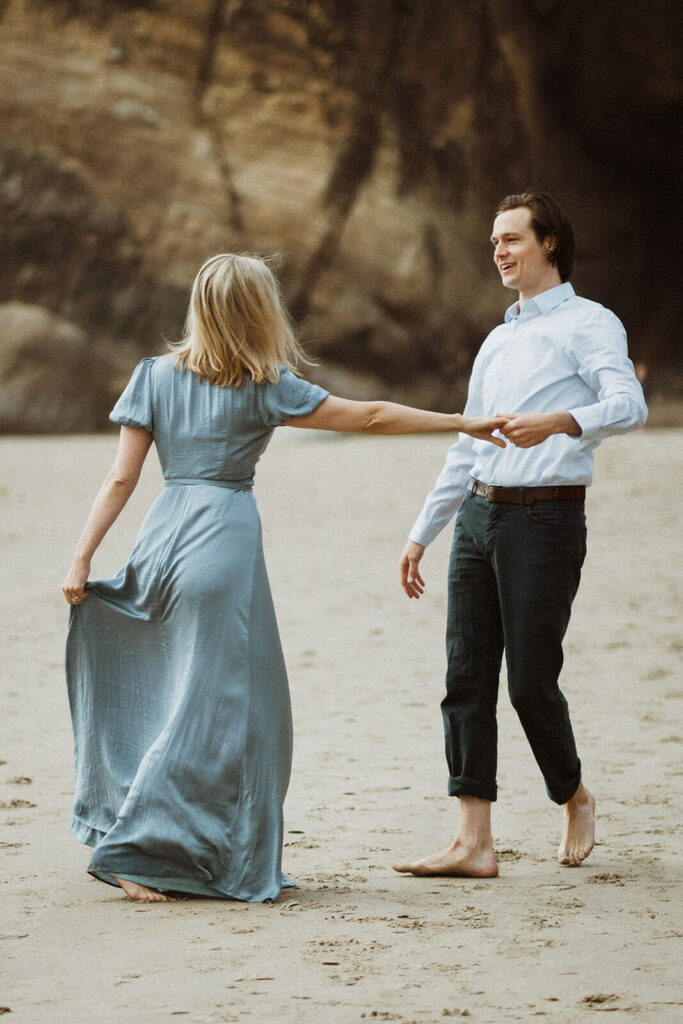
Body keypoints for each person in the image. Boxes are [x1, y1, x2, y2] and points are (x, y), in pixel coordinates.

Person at [62, 253, 508, 904]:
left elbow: (121, 478)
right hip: (221, 548)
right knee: (230, 715)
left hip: (161, 539)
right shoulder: (263, 385)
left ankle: (169, 845)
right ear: (258, 312)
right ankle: (138, 851)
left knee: (179, 695)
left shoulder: (153, 376)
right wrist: (462, 422)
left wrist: (81, 558)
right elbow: (372, 416)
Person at [394, 192, 647, 878]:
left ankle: (571, 794)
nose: (500, 251)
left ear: (549, 245)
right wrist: (423, 532)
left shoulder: (588, 323)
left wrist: (561, 420)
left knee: (530, 682)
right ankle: (473, 841)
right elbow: (464, 445)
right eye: (493, 243)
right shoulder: (497, 339)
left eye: (511, 239)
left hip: (545, 518)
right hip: (478, 516)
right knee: (464, 677)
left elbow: (629, 405)